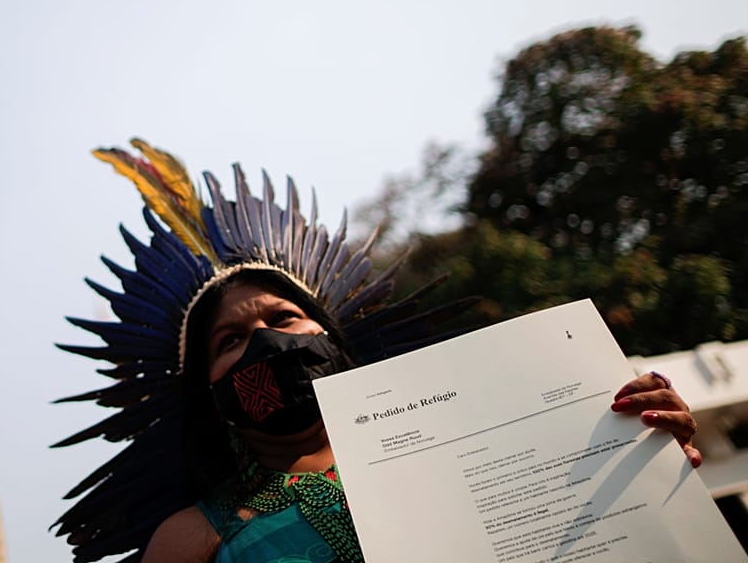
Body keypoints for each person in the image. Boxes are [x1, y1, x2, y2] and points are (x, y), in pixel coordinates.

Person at [54, 140, 699, 563]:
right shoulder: (194, 536)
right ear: (209, 394)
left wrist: (638, 462)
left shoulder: (483, 443)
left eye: (284, 317)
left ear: (332, 339)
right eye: (230, 341)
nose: (267, 343)